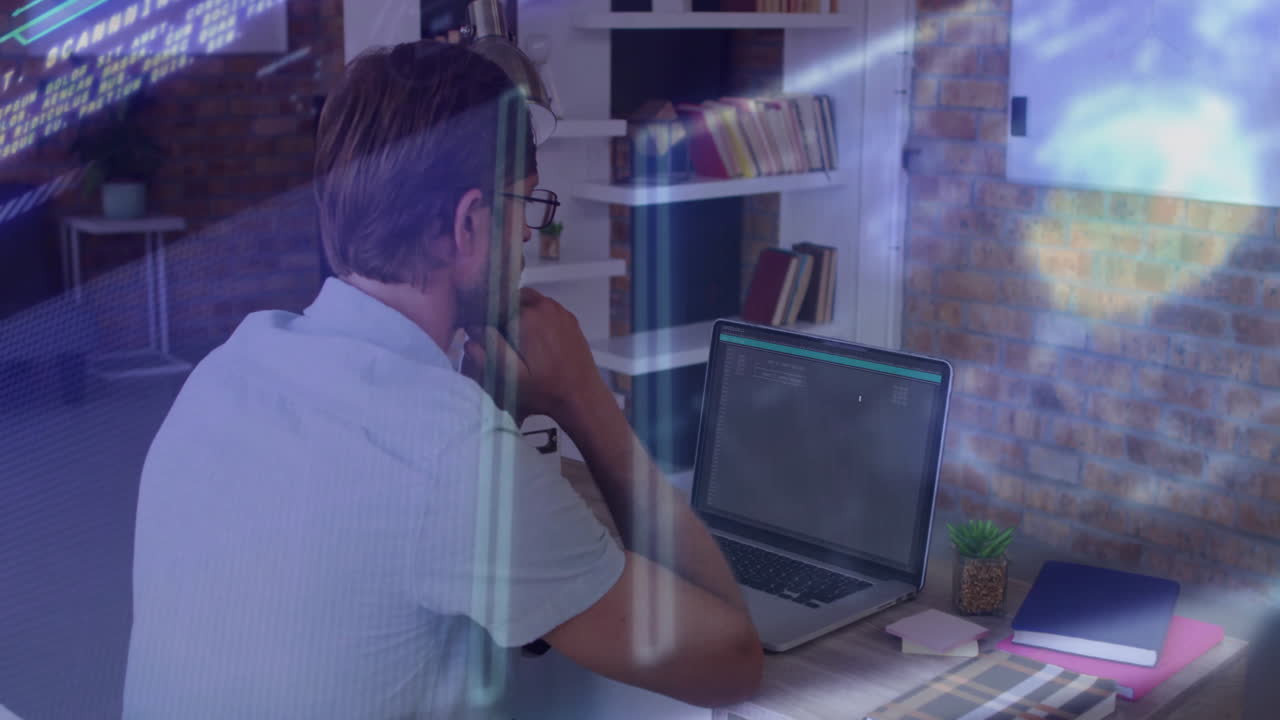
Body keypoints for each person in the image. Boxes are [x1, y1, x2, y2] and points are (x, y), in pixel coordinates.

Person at [123, 40, 761, 719]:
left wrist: (481, 414)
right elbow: (731, 664)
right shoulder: (453, 457)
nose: (524, 239)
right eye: (524, 205)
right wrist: (584, 400)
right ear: (466, 225)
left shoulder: (228, 367)